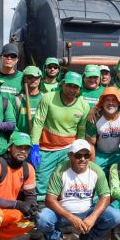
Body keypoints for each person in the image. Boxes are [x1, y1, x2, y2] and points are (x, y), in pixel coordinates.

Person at [36, 139, 120, 240]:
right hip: (63, 214)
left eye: (86, 155)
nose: (83, 159)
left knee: (116, 216)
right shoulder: (60, 170)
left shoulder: (96, 171)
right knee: (42, 219)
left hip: (87, 211)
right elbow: (49, 200)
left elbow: (105, 197)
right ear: (70, 155)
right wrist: (71, 217)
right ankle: (55, 238)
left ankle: (88, 236)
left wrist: (92, 217)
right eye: (78, 155)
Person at [30, 72, 89, 201]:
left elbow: (81, 130)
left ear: (79, 89)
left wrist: (79, 151)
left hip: (67, 150)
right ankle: (41, 208)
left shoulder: (84, 105)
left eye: (75, 87)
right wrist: (34, 145)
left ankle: (64, 209)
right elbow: (38, 122)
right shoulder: (48, 98)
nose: (72, 89)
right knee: (42, 180)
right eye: (69, 85)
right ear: (62, 84)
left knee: (65, 181)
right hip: (46, 148)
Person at [86, 86, 120, 172]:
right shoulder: (94, 118)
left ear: (119, 102)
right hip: (99, 154)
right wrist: (92, 167)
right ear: (102, 102)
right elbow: (91, 144)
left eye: (114, 100)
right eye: (107, 100)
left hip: (118, 154)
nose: (110, 103)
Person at [13, 66, 43, 135]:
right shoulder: (17, 99)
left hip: (40, 141)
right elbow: (12, 123)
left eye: (36, 77)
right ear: (24, 79)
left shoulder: (45, 97)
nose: (33, 80)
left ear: (40, 79)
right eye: (30, 77)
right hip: (22, 141)